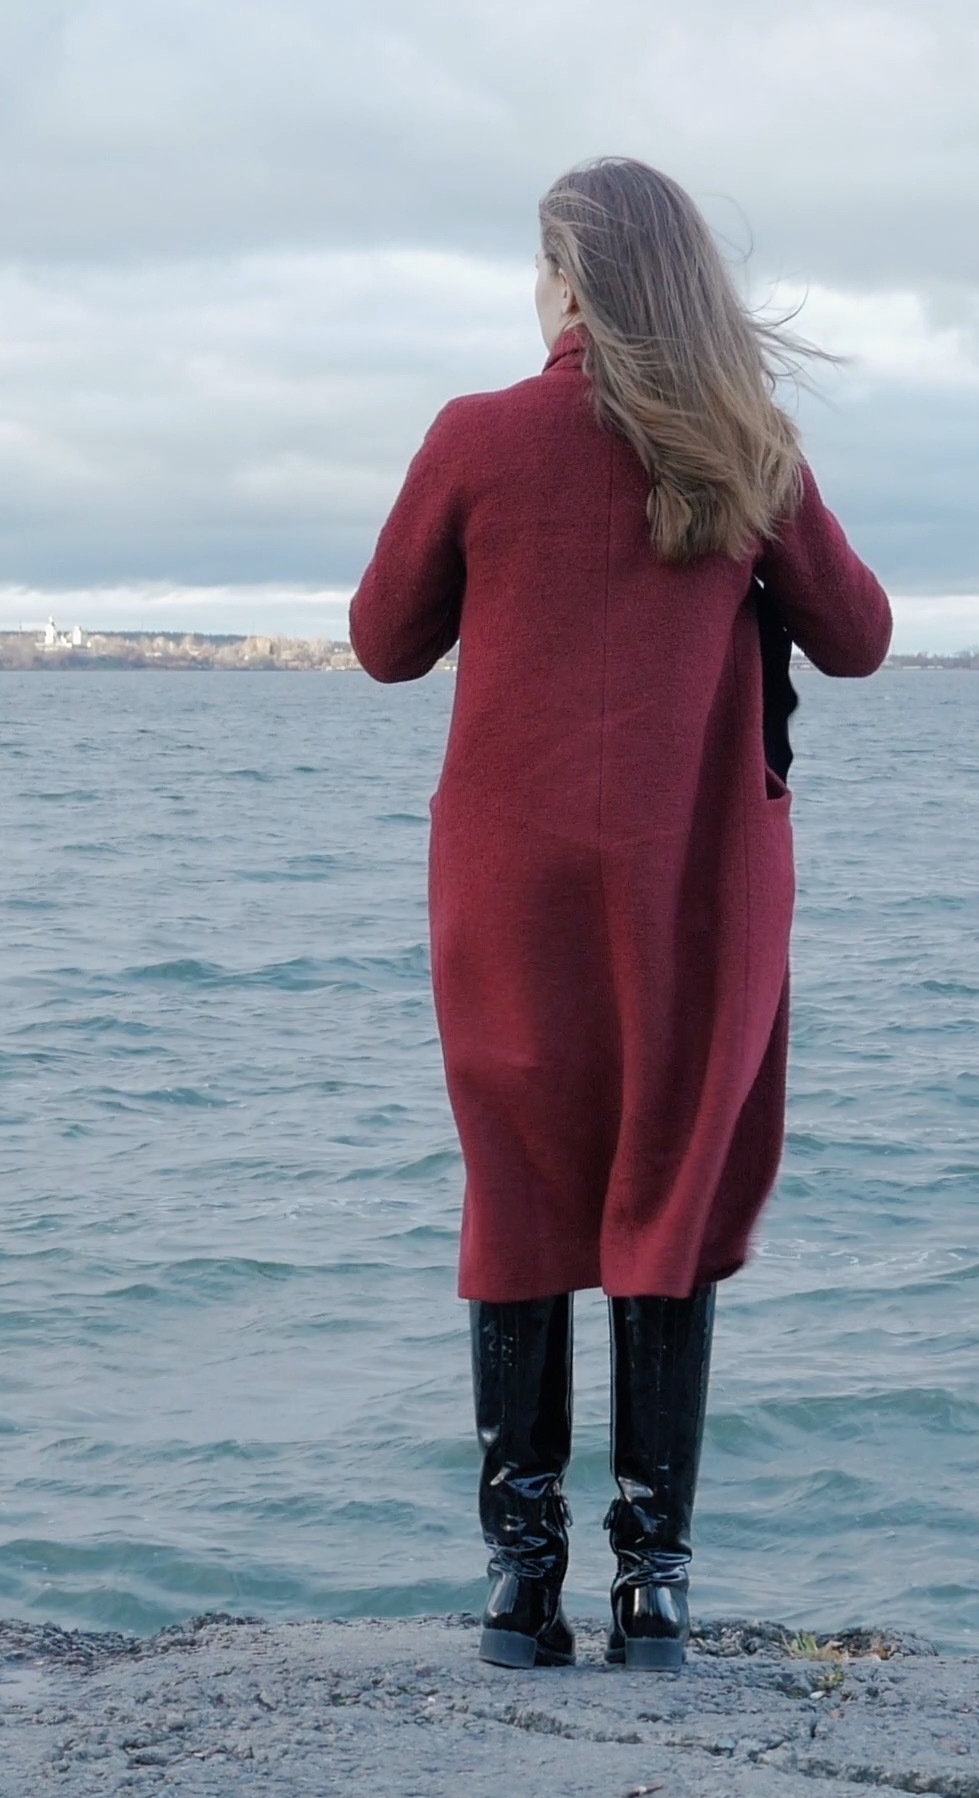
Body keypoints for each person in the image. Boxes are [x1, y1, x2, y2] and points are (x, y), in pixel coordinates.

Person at [351, 157, 892, 1671]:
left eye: (543, 273)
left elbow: (384, 643)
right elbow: (858, 640)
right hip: (695, 891)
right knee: (667, 1190)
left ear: (571, 285)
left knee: (519, 1189)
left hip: (509, 889)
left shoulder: (480, 437)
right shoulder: (744, 452)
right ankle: (654, 1593)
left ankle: (521, 1594)